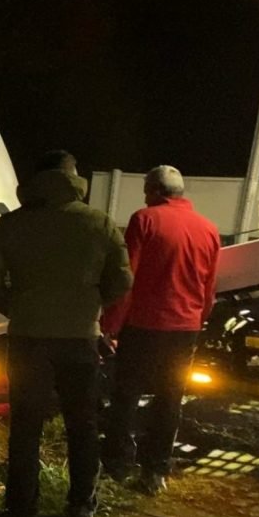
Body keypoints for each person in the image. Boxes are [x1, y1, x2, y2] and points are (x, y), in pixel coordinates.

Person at [0, 150, 132, 517]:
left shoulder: (12, 224)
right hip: (79, 338)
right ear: (75, 180)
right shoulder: (99, 222)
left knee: (26, 426)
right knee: (83, 424)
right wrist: (91, 308)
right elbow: (123, 279)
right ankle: (81, 506)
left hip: (28, 337)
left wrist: (14, 307)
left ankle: (21, 507)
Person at [101, 165, 220, 495]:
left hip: (143, 326)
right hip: (186, 329)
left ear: (154, 191)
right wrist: (197, 318)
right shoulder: (209, 229)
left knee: (126, 396)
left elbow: (128, 279)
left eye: (145, 190)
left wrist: (110, 325)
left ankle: (118, 466)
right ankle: (155, 473)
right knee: (170, 398)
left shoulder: (145, 219)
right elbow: (210, 288)